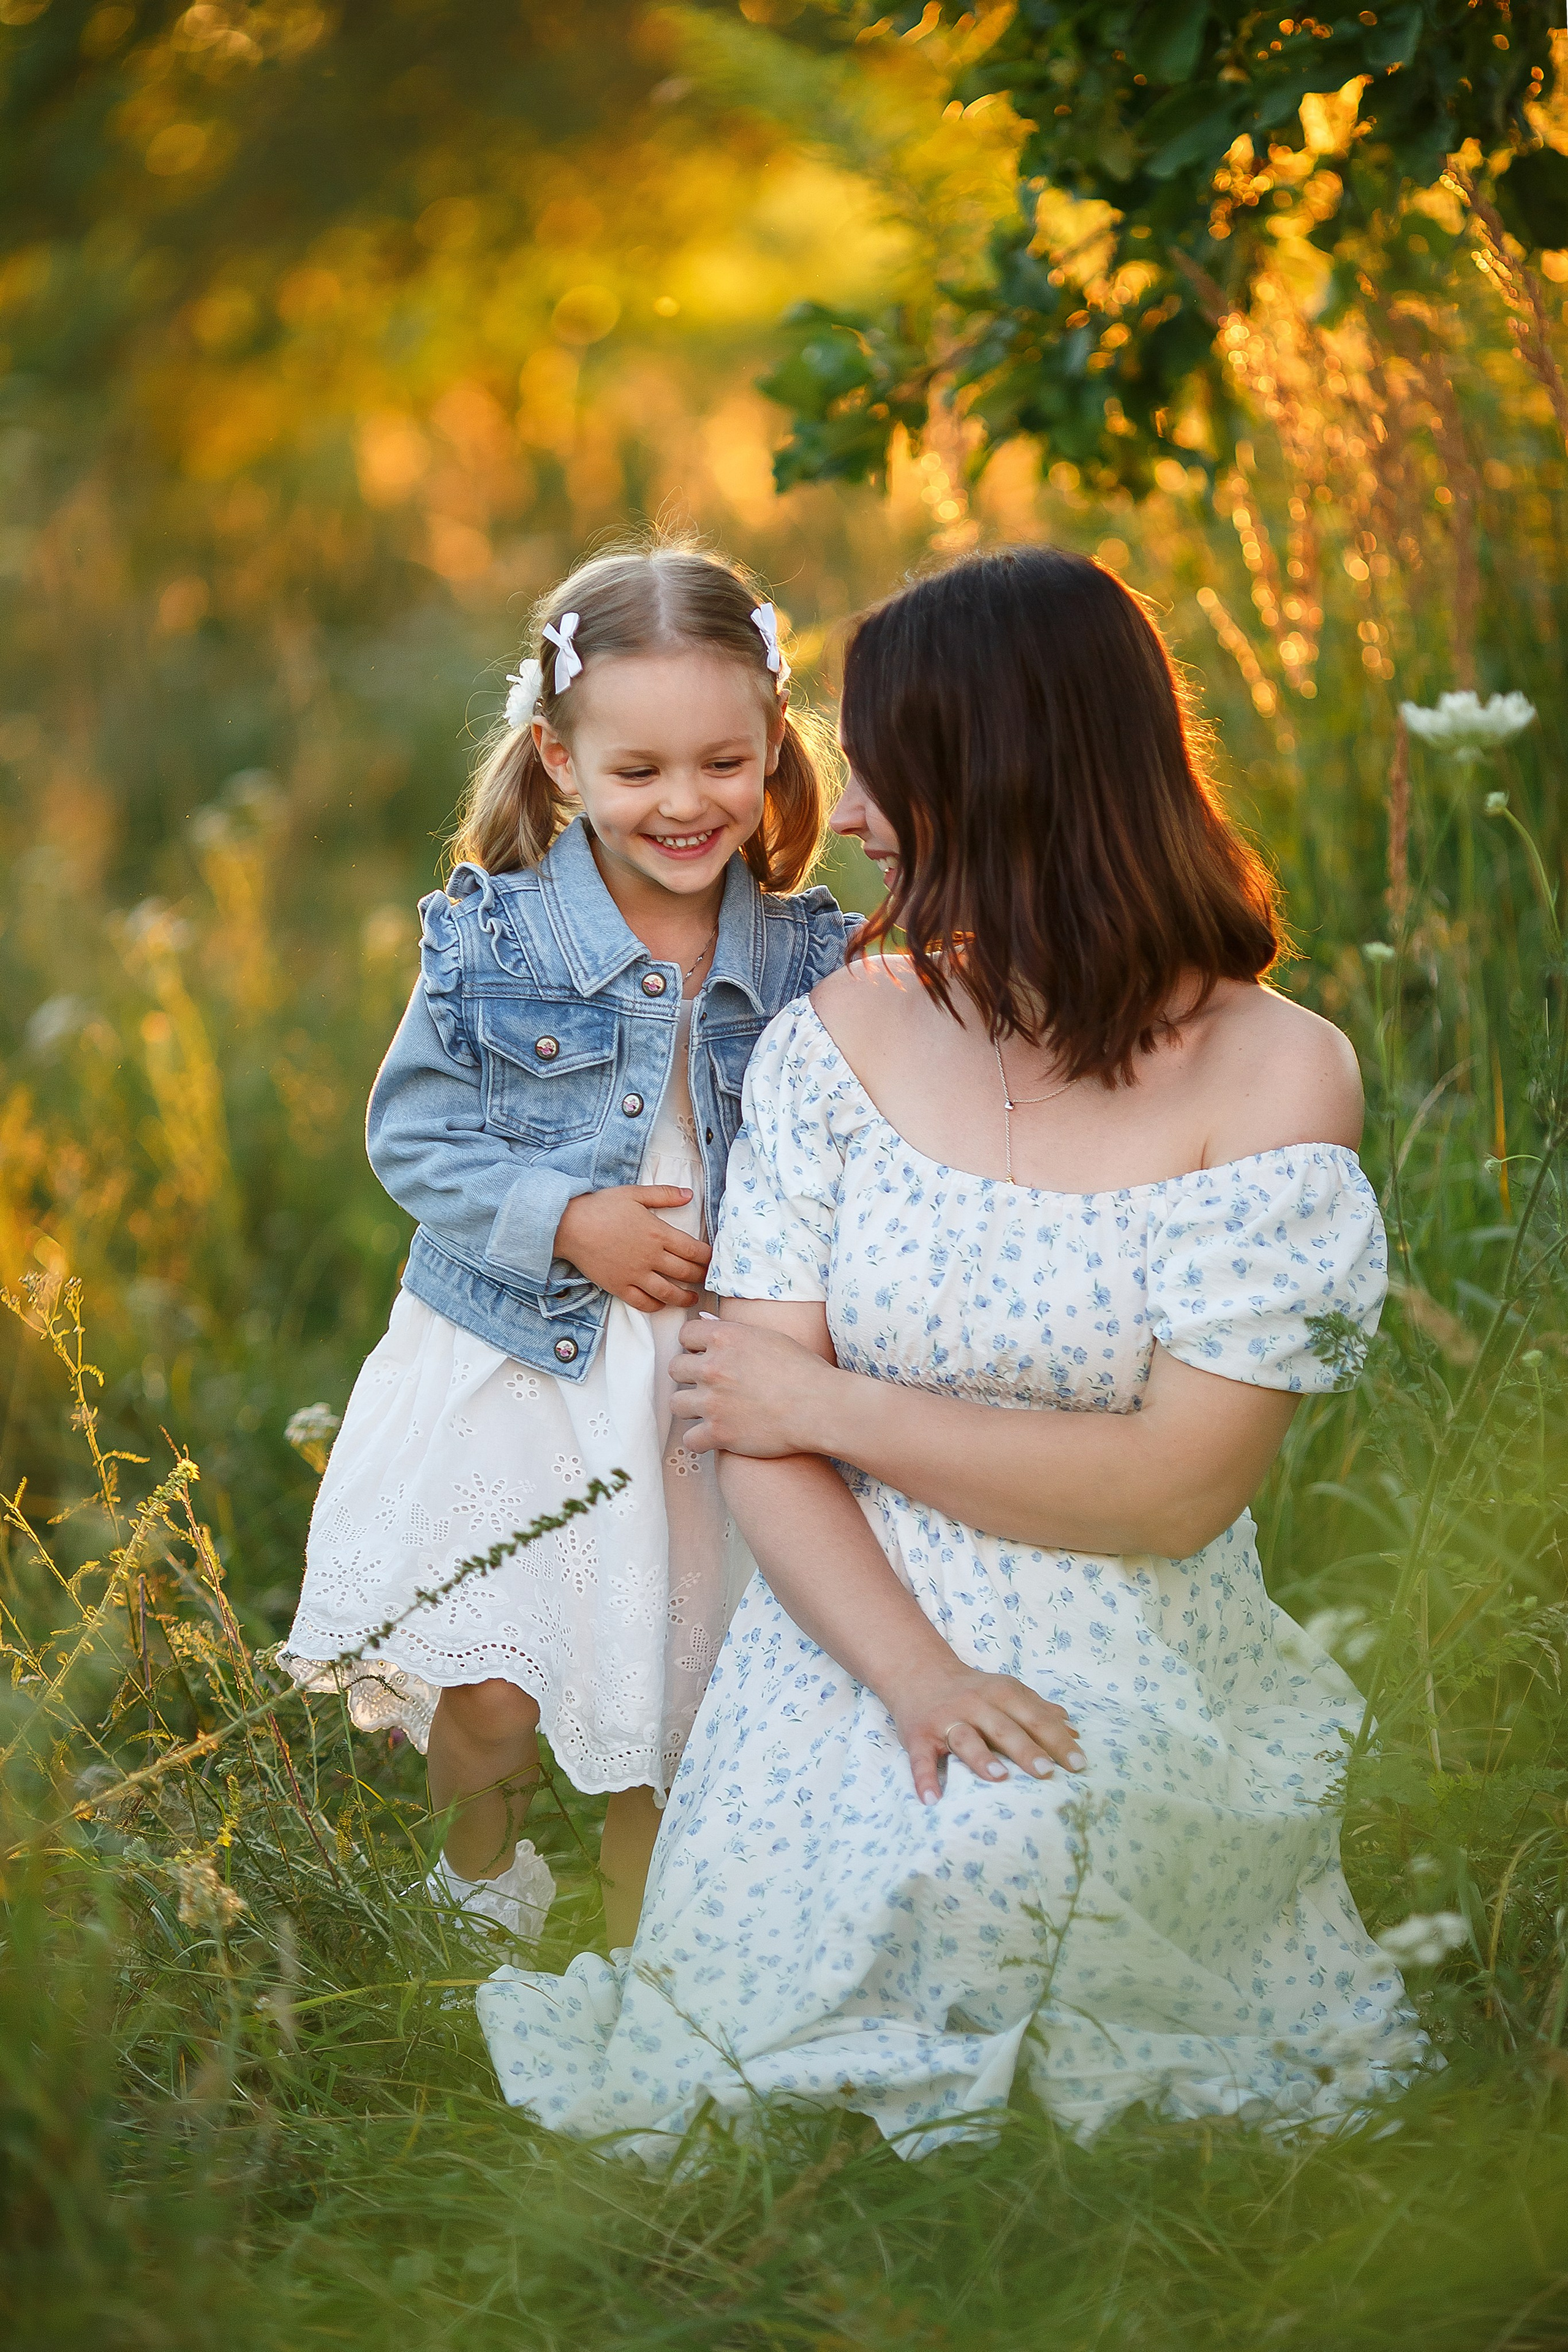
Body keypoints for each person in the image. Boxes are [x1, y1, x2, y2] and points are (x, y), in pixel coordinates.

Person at [475, 545, 1425, 2152]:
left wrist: (836, 1398)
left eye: (882, 773)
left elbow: (1173, 1492)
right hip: (847, 1612)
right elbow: (751, 1432)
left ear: (1007, 778)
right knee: (927, 1851)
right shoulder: (841, 1036)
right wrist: (914, 1675)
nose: (841, 820)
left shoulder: (1277, 1075)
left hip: (1133, 1616)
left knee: (1029, 1854)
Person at [281, 544, 854, 1950]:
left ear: (772, 746)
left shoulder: (809, 954)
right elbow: (412, 1135)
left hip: (707, 1378)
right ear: (556, 757)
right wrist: (565, 1222)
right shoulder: (496, 938)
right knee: (493, 1682)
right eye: (638, 769)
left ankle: (646, 1954)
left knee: (680, 1682)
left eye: (723, 763)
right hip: (524, 1362)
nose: (683, 803)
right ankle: (475, 1903)